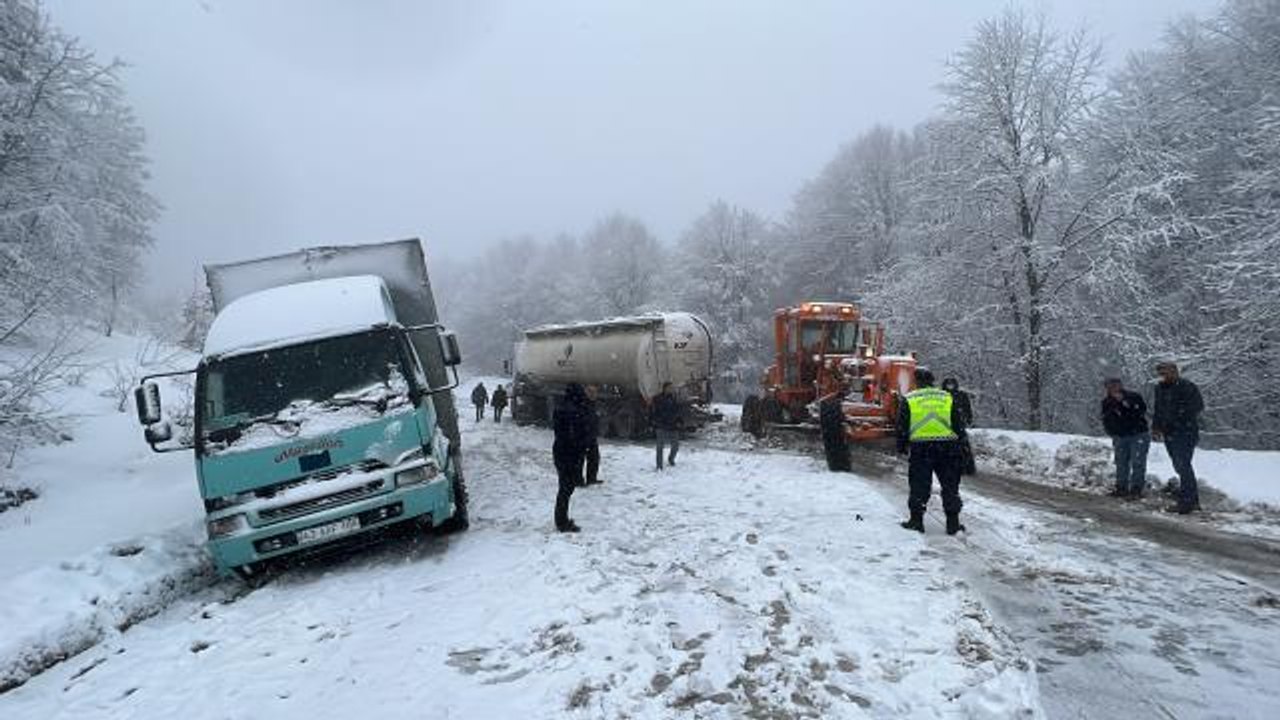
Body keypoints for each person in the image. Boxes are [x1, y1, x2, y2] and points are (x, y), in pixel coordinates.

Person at [897, 368, 968, 535]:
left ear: (916, 382)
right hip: (948, 447)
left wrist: (902, 446)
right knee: (950, 486)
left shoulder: (910, 399)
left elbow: (902, 426)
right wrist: (962, 447)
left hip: (921, 448)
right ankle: (953, 523)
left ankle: (916, 521)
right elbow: (958, 424)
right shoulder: (947, 397)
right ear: (933, 381)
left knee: (919, 485)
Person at [1151, 361, 1204, 514]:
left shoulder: (1187, 386)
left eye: (1166, 372)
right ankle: (1191, 498)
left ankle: (1188, 501)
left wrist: (1177, 417)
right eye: (1161, 372)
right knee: (1178, 465)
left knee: (1183, 464)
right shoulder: (1160, 388)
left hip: (1185, 431)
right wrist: (1156, 427)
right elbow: (1158, 409)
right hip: (1169, 432)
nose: (1164, 375)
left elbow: (1197, 406)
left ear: (1175, 371)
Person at [1100, 377, 1150, 499]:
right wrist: (1111, 431)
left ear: (1121, 385)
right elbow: (1105, 418)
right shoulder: (1106, 402)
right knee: (1121, 462)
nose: (1113, 388)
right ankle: (1121, 487)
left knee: (1138, 462)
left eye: (1115, 385)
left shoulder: (1133, 396)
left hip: (1138, 434)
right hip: (1119, 436)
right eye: (1110, 386)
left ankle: (1136, 489)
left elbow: (1141, 411)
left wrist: (1125, 402)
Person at [552, 383, 593, 532]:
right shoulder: (573, 410)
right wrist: (582, 445)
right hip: (569, 453)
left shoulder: (562, 407)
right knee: (566, 488)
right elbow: (574, 434)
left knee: (565, 487)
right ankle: (562, 522)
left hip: (562, 451)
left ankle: (561, 519)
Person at [940, 377, 977, 476]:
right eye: (948, 384)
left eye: (952, 384)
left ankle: (966, 467)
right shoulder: (941, 396)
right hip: (945, 424)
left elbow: (967, 408)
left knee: (962, 446)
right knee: (946, 447)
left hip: (958, 425)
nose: (950, 386)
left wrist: (968, 419)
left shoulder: (961, 395)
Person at [651, 382, 681, 470]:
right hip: (661, 425)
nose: (671, 389)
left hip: (673, 425)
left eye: (672, 388)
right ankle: (659, 465)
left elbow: (678, 411)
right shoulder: (657, 398)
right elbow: (653, 412)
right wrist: (655, 422)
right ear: (665, 388)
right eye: (669, 388)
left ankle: (671, 459)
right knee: (660, 446)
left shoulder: (674, 398)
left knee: (675, 446)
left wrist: (679, 421)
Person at [583, 385, 602, 485]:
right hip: (583, 436)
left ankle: (592, 478)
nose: (594, 395)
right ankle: (578, 479)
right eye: (591, 393)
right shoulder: (583, 404)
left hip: (592, 436)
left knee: (594, 458)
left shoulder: (593, 404)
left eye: (595, 393)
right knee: (580, 460)